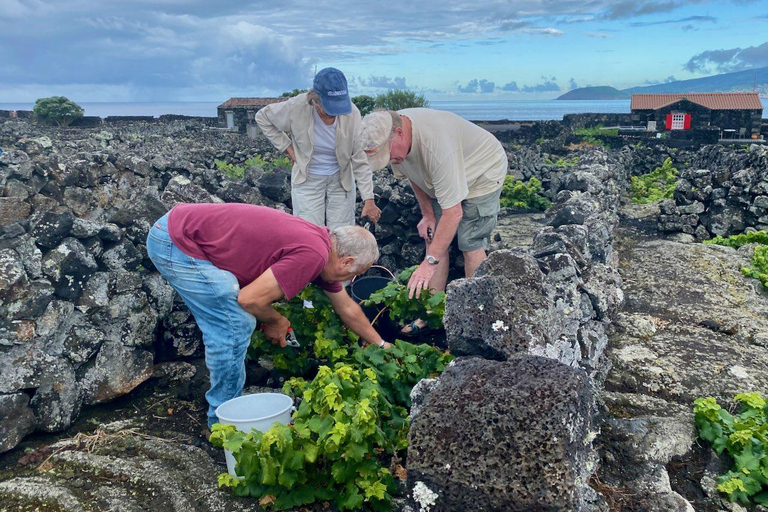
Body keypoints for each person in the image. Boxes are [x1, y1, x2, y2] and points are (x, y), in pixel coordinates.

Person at [146, 203, 390, 428]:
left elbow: (346, 307)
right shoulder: (313, 254)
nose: (349, 280)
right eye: (353, 274)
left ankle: (226, 410)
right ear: (346, 262)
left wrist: (380, 344)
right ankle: (223, 424)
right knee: (235, 323)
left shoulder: (323, 246)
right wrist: (276, 320)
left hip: (180, 229)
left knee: (234, 313)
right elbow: (249, 299)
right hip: (175, 242)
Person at [359, 108, 507, 336]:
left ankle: (476, 316)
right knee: (433, 237)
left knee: (470, 242)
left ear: (399, 133)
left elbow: (454, 213)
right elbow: (413, 174)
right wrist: (427, 213)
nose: (389, 161)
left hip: (482, 172)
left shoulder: (437, 147)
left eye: (388, 156)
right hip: (443, 177)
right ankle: (431, 313)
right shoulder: (391, 137)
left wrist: (428, 265)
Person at [255, 67, 381, 229]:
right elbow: (263, 117)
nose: (334, 115)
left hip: (341, 179)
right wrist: (289, 148)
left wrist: (368, 199)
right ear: (315, 102)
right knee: (310, 233)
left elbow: (359, 158)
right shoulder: (295, 107)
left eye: (339, 109)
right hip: (308, 179)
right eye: (330, 111)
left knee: (341, 234)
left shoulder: (352, 113)